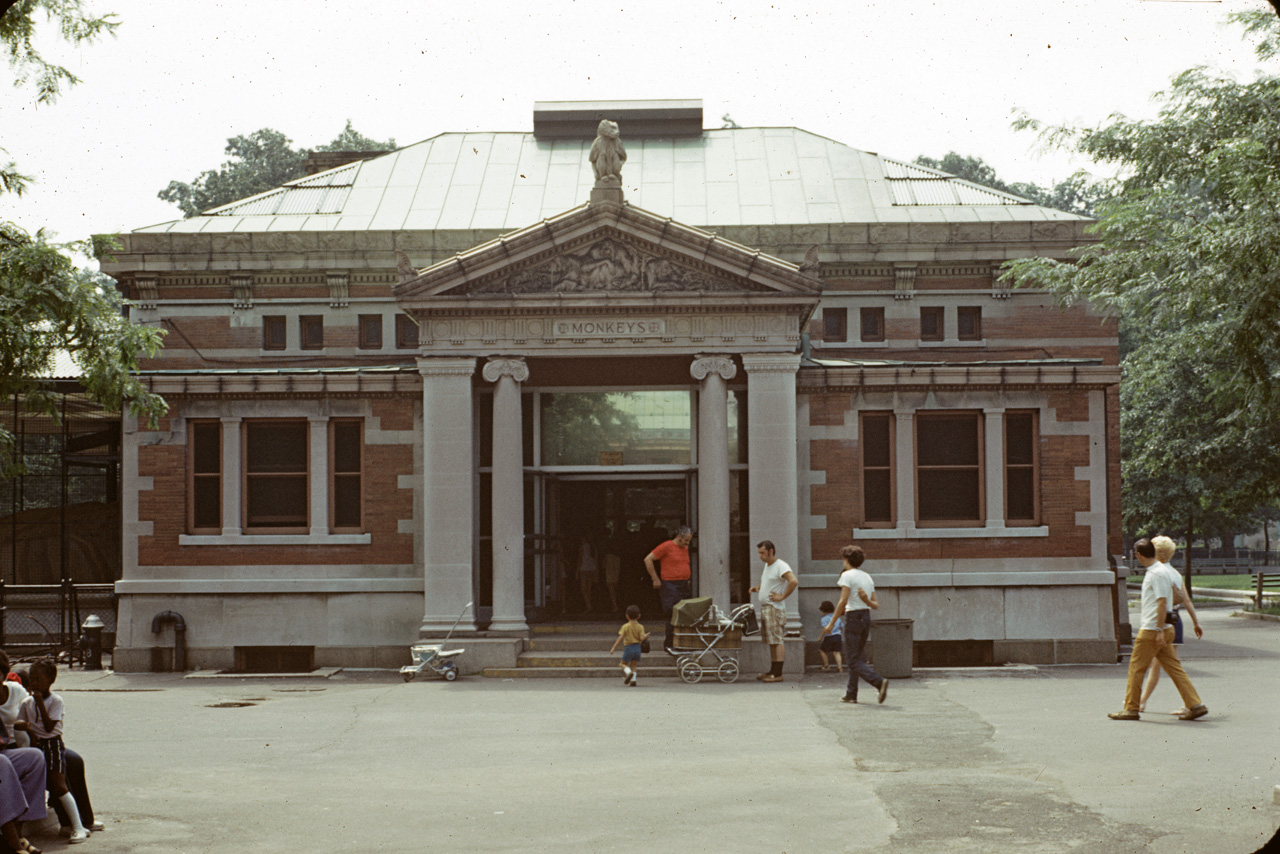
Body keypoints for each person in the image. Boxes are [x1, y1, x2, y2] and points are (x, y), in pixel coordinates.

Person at [1108, 538, 1208, 721]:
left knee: (1136, 667)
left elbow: (1162, 602)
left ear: (1138, 555)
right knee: (1174, 667)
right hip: (1164, 627)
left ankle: (1131, 708)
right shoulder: (1164, 572)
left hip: (1152, 629)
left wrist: (1159, 629)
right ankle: (1195, 704)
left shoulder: (1157, 573)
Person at [0, 654, 98, 840]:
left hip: (34, 741)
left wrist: (31, 729)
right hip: (12, 747)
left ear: (4, 675)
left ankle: (84, 821)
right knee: (50, 770)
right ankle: (69, 822)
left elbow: (38, 714)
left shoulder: (16, 691)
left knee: (74, 761)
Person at [1139, 535, 1204, 714]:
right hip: (1176, 618)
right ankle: (1188, 702)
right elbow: (1186, 600)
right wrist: (1196, 622)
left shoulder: (1157, 572)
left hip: (1162, 621)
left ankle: (1141, 702)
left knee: (1157, 664)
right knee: (1170, 665)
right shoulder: (1175, 573)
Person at [821, 545, 889, 704]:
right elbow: (875, 604)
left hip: (853, 617)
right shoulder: (867, 577)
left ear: (846, 559)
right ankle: (851, 693)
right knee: (857, 657)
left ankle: (878, 682)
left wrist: (832, 623)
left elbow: (842, 601)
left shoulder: (847, 576)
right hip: (866, 617)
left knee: (852, 660)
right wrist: (865, 600)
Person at [749, 540, 798, 683]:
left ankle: (778, 674)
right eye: (759, 553)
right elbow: (770, 583)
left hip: (774, 608)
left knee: (777, 640)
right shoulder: (768, 566)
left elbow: (793, 581)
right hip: (767, 608)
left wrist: (782, 596)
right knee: (772, 641)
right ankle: (772, 671)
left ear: (771, 551)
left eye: (762, 553)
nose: (760, 556)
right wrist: (757, 588)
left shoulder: (780, 565)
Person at [644, 526, 694, 654]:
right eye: (686, 540)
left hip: (683, 583)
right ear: (679, 537)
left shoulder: (685, 548)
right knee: (672, 613)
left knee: (686, 613)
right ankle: (669, 643)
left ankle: (683, 642)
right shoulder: (666, 546)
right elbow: (648, 559)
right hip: (670, 583)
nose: (687, 543)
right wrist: (655, 579)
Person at [609, 605, 650, 688]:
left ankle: (628, 673)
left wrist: (613, 648)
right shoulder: (640, 627)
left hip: (629, 647)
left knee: (623, 664)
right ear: (639, 616)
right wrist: (646, 635)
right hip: (637, 648)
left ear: (627, 616)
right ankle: (633, 680)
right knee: (634, 665)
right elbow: (642, 638)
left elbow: (620, 638)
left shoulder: (625, 626)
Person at [817, 601, 843, 672]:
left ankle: (826, 665)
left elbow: (824, 629)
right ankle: (840, 667)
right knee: (837, 652)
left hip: (829, 636)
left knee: (822, 650)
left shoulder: (824, 619)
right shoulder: (837, 617)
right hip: (838, 636)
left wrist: (820, 638)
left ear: (823, 610)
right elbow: (842, 627)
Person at [576, 535, 598, 613]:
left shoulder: (582, 547)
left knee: (583, 589)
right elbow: (596, 560)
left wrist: (577, 572)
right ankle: (589, 605)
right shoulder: (593, 547)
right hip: (592, 568)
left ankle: (588, 605)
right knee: (588, 588)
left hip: (584, 568)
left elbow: (580, 559)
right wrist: (596, 572)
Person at [602, 538, 622, 613]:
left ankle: (615, 606)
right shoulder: (618, 557)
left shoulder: (607, 556)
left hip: (609, 575)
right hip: (616, 575)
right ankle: (616, 605)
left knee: (611, 591)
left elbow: (603, 566)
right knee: (615, 591)